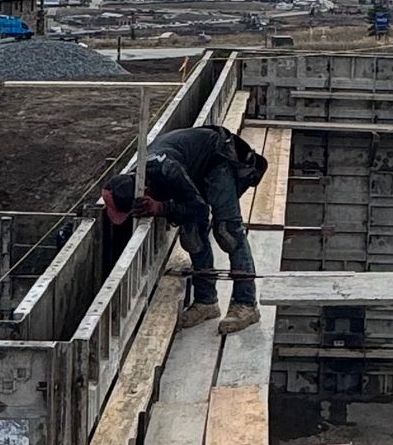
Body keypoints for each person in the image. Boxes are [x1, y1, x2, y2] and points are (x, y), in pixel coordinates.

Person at [100, 124, 267, 330]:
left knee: (228, 232)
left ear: (144, 192)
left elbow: (199, 209)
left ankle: (246, 303)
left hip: (215, 160)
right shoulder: (136, 176)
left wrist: (161, 207)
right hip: (191, 169)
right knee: (192, 236)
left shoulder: (167, 170)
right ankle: (207, 301)